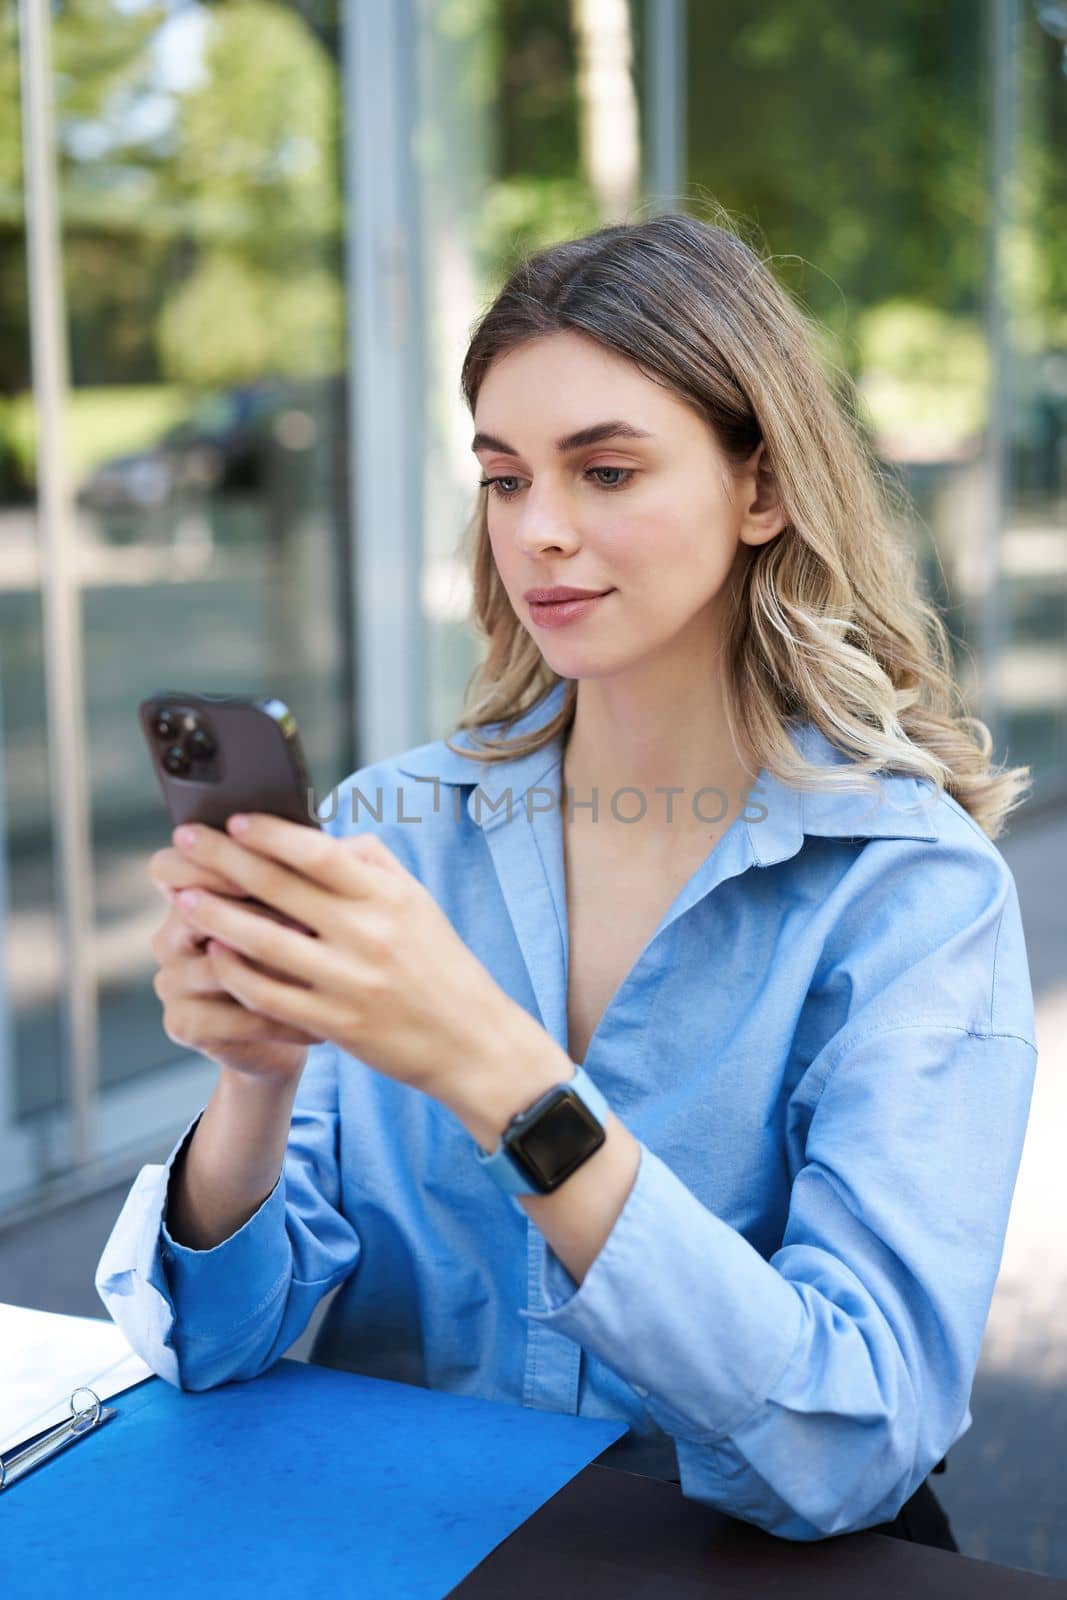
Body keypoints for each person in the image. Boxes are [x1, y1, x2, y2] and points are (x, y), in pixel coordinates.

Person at [96, 208, 1038, 1551]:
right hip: (414, 1550)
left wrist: (505, 1080)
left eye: (604, 473)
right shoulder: (391, 826)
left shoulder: (910, 895)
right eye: (503, 478)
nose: (536, 531)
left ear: (760, 489)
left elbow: (856, 1443)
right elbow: (209, 1348)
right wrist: (256, 1082)